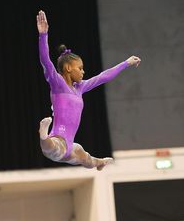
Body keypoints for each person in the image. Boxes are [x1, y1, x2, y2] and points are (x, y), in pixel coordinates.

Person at [37, 10, 141, 170]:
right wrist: (43, 35)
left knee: (86, 159)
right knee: (52, 150)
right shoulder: (58, 84)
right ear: (68, 68)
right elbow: (46, 61)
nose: (83, 71)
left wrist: (126, 63)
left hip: (70, 144)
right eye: (80, 68)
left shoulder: (80, 88)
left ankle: (99, 163)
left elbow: (103, 77)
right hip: (58, 138)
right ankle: (43, 135)